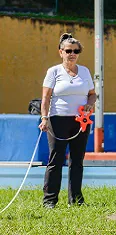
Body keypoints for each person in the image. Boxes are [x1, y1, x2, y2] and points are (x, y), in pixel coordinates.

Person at [39, 33, 96, 208]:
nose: (72, 54)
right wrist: (44, 118)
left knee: (77, 160)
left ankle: (76, 200)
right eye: (68, 50)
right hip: (58, 120)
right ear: (61, 52)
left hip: (80, 121)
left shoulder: (85, 71)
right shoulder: (54, 72)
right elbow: (46, 98)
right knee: (55, 160)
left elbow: (92, 95)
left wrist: (89, 104)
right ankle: (50, 200)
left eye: (76, 51)